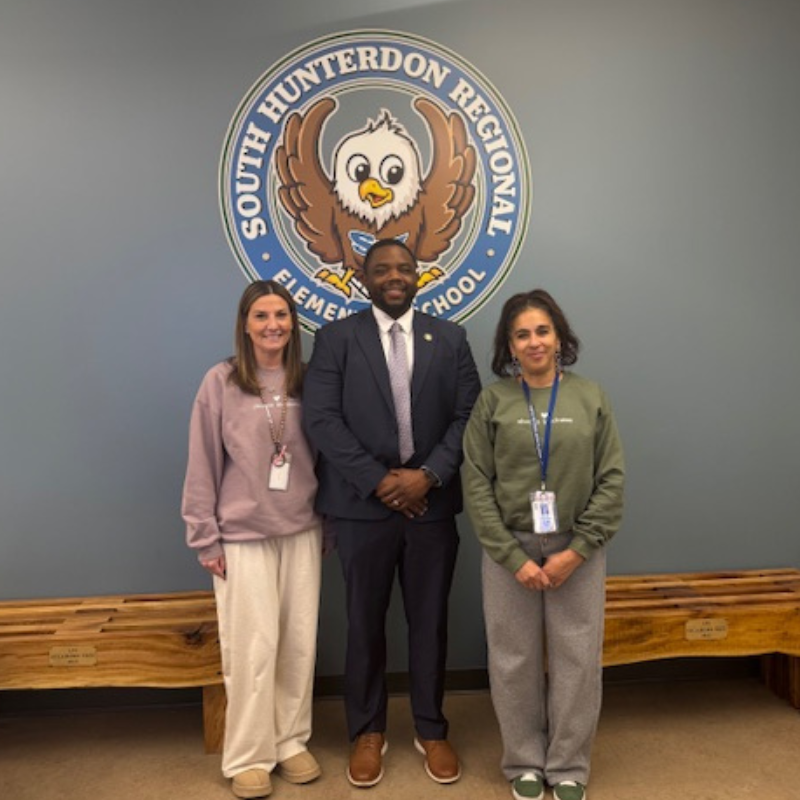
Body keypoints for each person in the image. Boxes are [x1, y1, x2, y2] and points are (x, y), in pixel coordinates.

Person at [302, 239, 481, 788]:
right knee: (364, 624)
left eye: (404, 268)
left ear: (420, 276)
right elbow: (322, 419)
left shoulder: (450, 338)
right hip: (361, 508)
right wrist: (381, 481)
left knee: (430, 623)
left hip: (431, 506)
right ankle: (368, 730)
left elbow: (468, 415)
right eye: (382, 269)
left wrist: (426, 475)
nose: (395, 276)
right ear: (363, 278)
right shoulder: (335, 339)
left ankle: (430, 727)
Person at [462, 289, 624, 800]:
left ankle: (570, 764)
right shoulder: (493, 401)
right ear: (509, 346)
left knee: (578, 657)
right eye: (522, 334)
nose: (534, 342)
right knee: (513, 659)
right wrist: (512, 557)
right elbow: (477, 483)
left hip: (578, 548)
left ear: (559, 337)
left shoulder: (590, 396)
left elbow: (612, 479)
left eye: (543, 331)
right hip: (509, 549)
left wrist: (578, 549)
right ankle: (525, 762)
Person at [182, 281, 323, 799]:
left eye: (282, 315)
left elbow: (323, 458)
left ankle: (289, 740)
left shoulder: (310, 381)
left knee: (297, 643)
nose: (273, 325)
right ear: (245, 324)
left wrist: (326, 522)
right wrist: (205, 537)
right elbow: (201, 462)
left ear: (293, 323)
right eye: (261, 315)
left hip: (304, 529)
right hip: (241, 535)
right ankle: (248, 753)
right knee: (252, 646)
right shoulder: (220, 382)